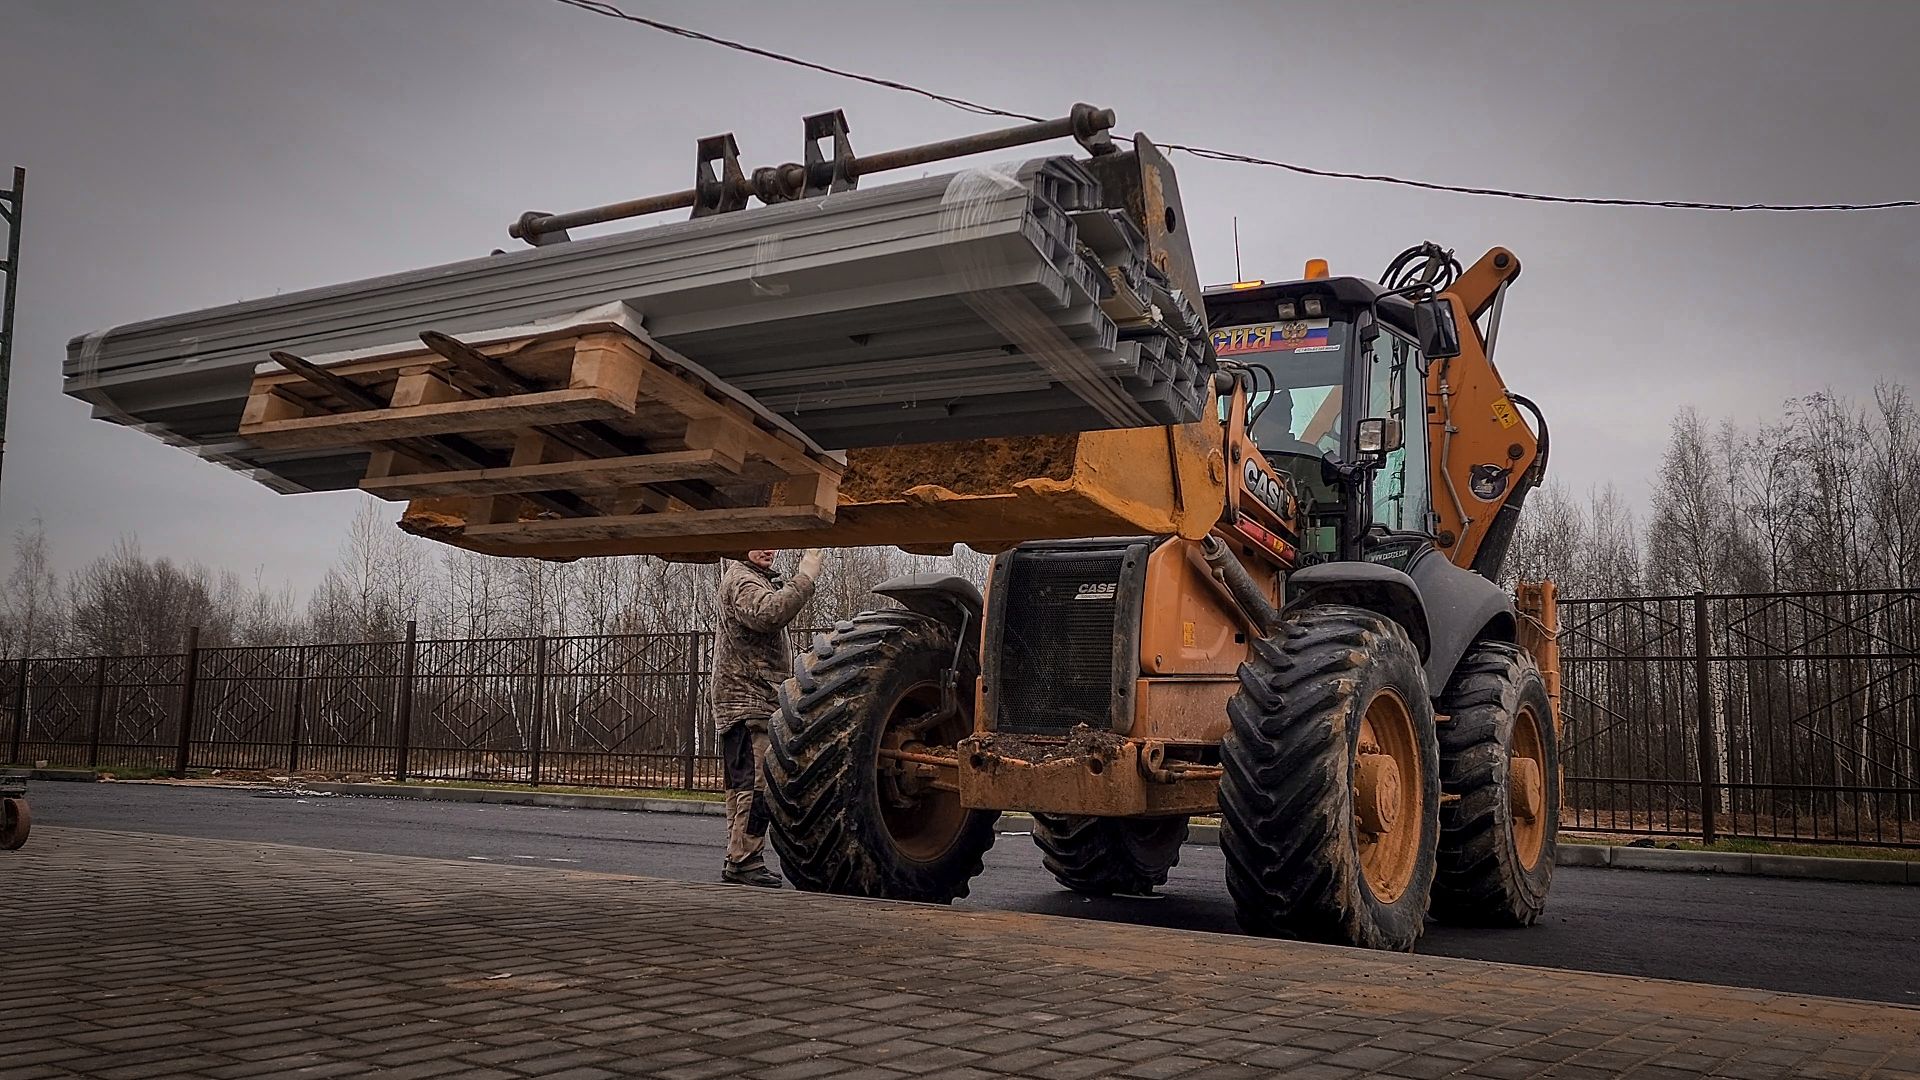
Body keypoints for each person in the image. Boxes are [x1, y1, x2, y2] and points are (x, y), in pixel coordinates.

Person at [712, 546, 823, 887]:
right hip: (749, 701)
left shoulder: (749, 578)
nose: (769, 549)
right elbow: (768, 613)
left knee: (744, 785)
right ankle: (744, 859)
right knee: (755, 786)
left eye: (773, 542)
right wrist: (805, 578)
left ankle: (740, 855)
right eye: (760, 541)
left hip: (747, 701)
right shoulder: (742, 579)